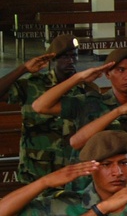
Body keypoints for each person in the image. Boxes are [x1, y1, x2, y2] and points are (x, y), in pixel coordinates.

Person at [0, 33, 97, 184]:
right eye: (64, 57)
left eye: (73, 56)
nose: (70, 61)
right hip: (36, 169)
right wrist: (23, 69)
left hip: (73, 171)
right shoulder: (33, 85)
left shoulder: (86, 89)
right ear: (53, 59)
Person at [32, 46, 127, 131]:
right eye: (121, 70)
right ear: (108, 74)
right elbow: (40, 106)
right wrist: (78, 78)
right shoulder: (90, 103)